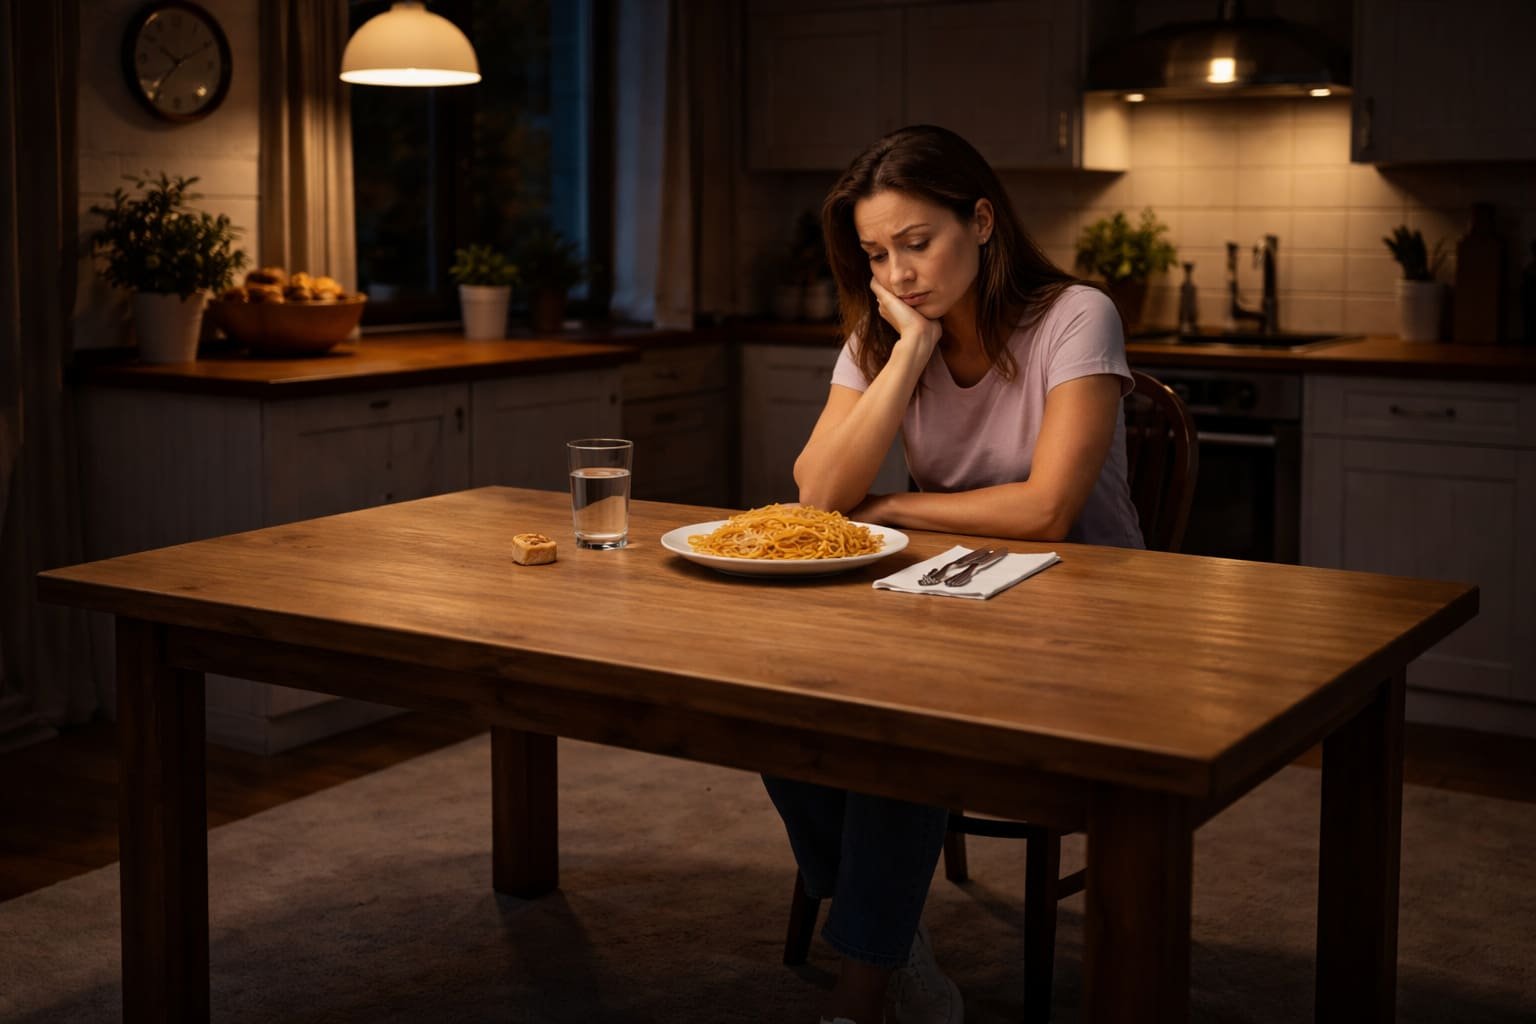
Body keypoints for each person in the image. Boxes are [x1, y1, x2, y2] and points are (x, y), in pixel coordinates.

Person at [762, 124, 1143, 1024]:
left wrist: (889, 509)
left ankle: (863, 992)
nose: (897, 275)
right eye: (875, 254)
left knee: (908, 726)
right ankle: (897, 950)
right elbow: (818, 491)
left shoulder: (1075, 316)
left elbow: (1046, 510)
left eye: (917, 243)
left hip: (1092, 616)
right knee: (773, 703)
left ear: (980, 220)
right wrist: (908, 355)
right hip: (948, 599)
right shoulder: (885, 335)